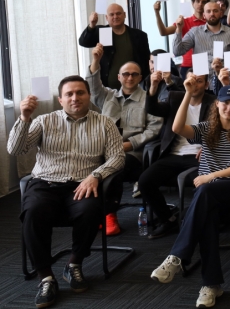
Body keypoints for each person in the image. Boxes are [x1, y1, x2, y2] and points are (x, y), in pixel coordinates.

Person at [8, 76, 124, 308]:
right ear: (60, 100)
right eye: (69, 94)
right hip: (45, 183)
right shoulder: (44, 120)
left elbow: (118, 157)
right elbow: (16, 149)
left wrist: (96, 175)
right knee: (33, 212)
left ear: (89, 96)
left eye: (80, 92)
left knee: (90, 210)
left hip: (82, 184)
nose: (75, 98)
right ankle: (45, 276)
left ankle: (74, 264)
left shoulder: (105, 123)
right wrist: (24, 117)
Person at [151, 84, 230, 309]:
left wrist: (212, 176)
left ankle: (177, 256)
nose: (229, 108)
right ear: (217, 104)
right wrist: (188, 94)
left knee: (204, 192)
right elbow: (177, 127)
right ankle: (211, 285)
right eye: (225, 103)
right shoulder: (207, 127)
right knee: (207, 215)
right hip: (208, 193)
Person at [87, 44, 161, 235]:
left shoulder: (149, 99)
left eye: (134, 74)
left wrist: (129, 144)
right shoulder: (107, 96)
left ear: (140, 78)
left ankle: (109, 215)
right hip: (104, 150)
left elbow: (154, 129)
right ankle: (91, 212)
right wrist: (96, 60)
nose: (129, 77)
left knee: (114, 167)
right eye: (126, 74)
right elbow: (93, 85)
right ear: (119, 77)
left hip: (133, 154)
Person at [141, 71, 216, 238]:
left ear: (206, 85)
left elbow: (220, 129)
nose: (194, 85)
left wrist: (209, 146)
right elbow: (152, 108)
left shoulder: (213, 102)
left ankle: (198, 223)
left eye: (199, 81)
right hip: (174, 153)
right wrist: (153, 86)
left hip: (199, 155)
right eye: (191, 80)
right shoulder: (175, 98)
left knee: (204, 185)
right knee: (145, 181)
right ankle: (168, 219)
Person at [79, 3, 151, 88]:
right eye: (111, 14)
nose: (115, 17)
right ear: (107, 17)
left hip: (134, 87)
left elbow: (146, 60)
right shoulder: (102, 32)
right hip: (107, 88)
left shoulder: (140, 35)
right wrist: (92, 25)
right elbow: (83, 42)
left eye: (118, 13)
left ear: (124, 15)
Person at [173, 0, 230, 71]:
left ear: (220, 13)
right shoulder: (194, 32)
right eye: (208, 11)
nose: (212, 14)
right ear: (204, 15)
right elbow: (178, 51)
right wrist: (179, 28)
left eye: (215, 11)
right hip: (202, 76)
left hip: (226, 75)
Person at [155, 0, 209, 78]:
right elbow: (163, 32)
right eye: (198, 1)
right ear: (192, 3)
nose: (200, 4)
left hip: (204, 63)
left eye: (203, 2)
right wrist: (157, 13)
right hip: (187, 64)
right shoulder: (184, 22)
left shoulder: (210, 23)